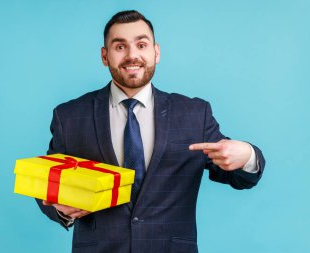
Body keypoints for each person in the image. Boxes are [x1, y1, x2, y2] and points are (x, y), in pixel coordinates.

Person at [36, 10, 265, 253]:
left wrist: (248, 156)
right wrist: (60, 209)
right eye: (120, 47)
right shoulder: (69, 116)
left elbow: (237, 174)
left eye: (141, 45)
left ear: (156, 52)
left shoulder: (194, 114)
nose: (132, 55)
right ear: (105, 56)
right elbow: (45, 187)